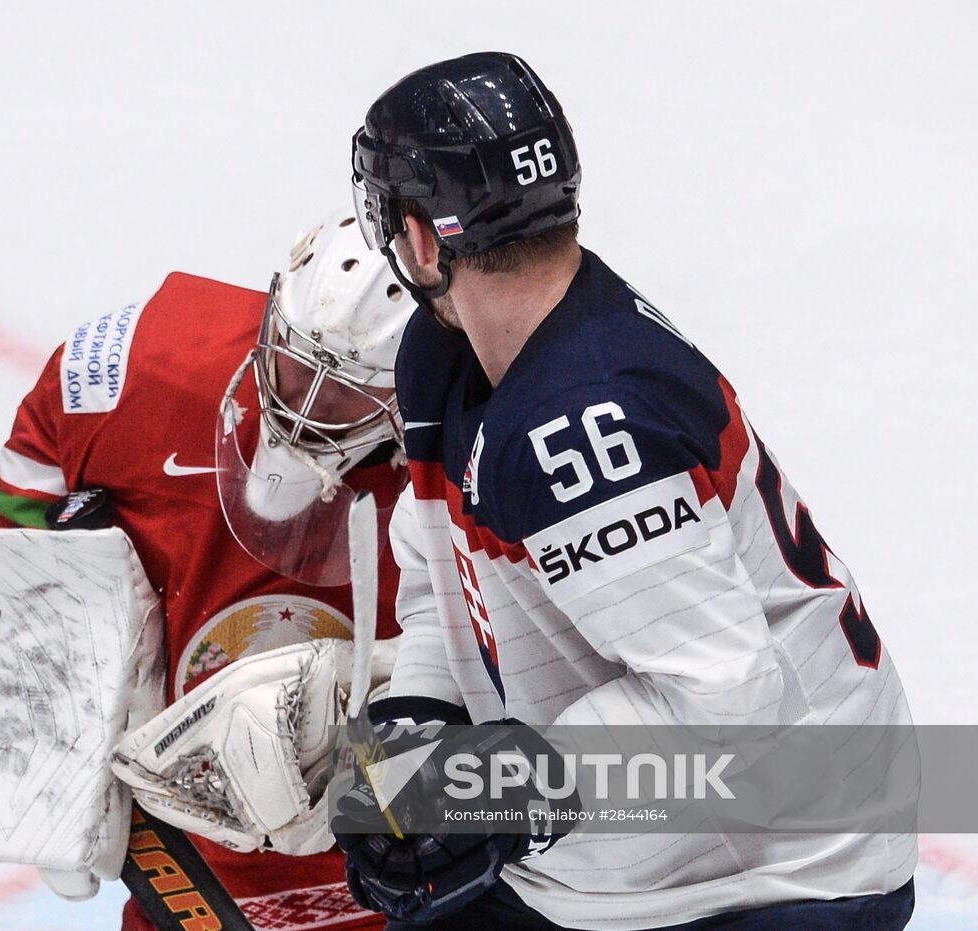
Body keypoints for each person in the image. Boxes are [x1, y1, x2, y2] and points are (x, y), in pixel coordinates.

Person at [337, 52, 917, 929]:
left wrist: (495, 789)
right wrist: (419, 726)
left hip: (781, 870)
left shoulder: (586, 419)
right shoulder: (443, 357)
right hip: (612, 849)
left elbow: (724, 703)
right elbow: (443, 594)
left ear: (421, 236)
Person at [0, 212, 416, 930]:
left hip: (385, 872)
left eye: (346, 391)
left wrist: (410, 771)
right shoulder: (140, 365)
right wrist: (64, 672)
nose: (305, 402)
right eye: (298, 360)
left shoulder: (470, 449)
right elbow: (21, 489)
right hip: (186, 867)